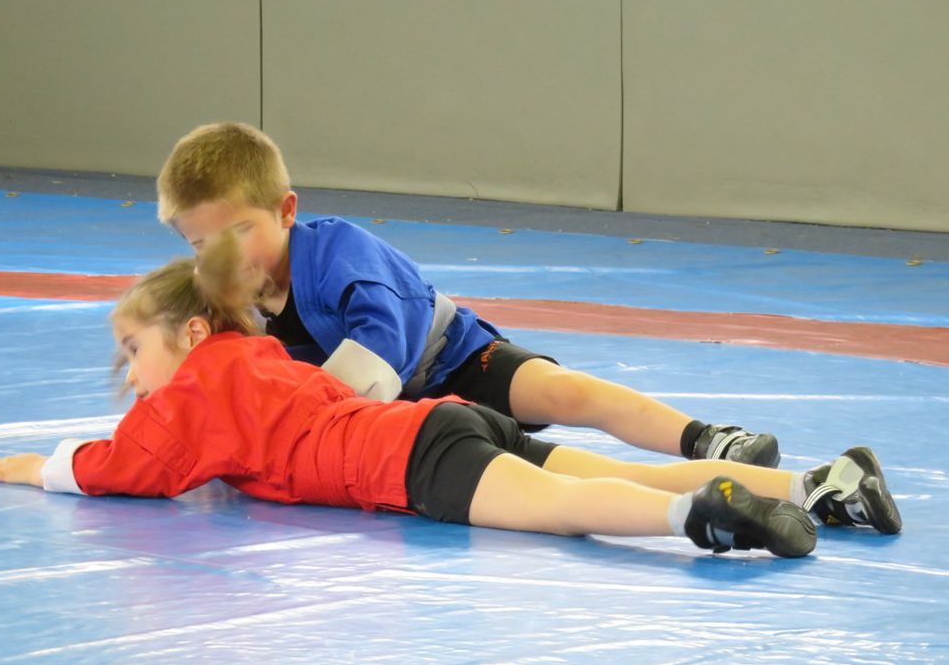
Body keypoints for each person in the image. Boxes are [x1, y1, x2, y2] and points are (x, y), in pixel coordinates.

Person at [0, 236, 903, 559]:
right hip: (437, 422)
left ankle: (704, 515)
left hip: (413, 459)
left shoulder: (200, 387)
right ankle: (823, 483)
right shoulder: (266, 362)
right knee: (597, 468)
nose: (133, 375)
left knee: (569, 507)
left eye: (134, 350)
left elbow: (141, 464)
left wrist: (42, 467)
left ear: (194, 334)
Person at [153, 122, 781, 469]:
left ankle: (708, 440)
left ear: (286, 211)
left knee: (565, 393)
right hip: (385, 414)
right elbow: (208, 378)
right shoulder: (223, 299)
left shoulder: (345, 259)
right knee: (521, 464)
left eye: (240, 232)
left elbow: (380, 359)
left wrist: (293, 421)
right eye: (205, 245)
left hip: (449, 358)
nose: (226, 257)